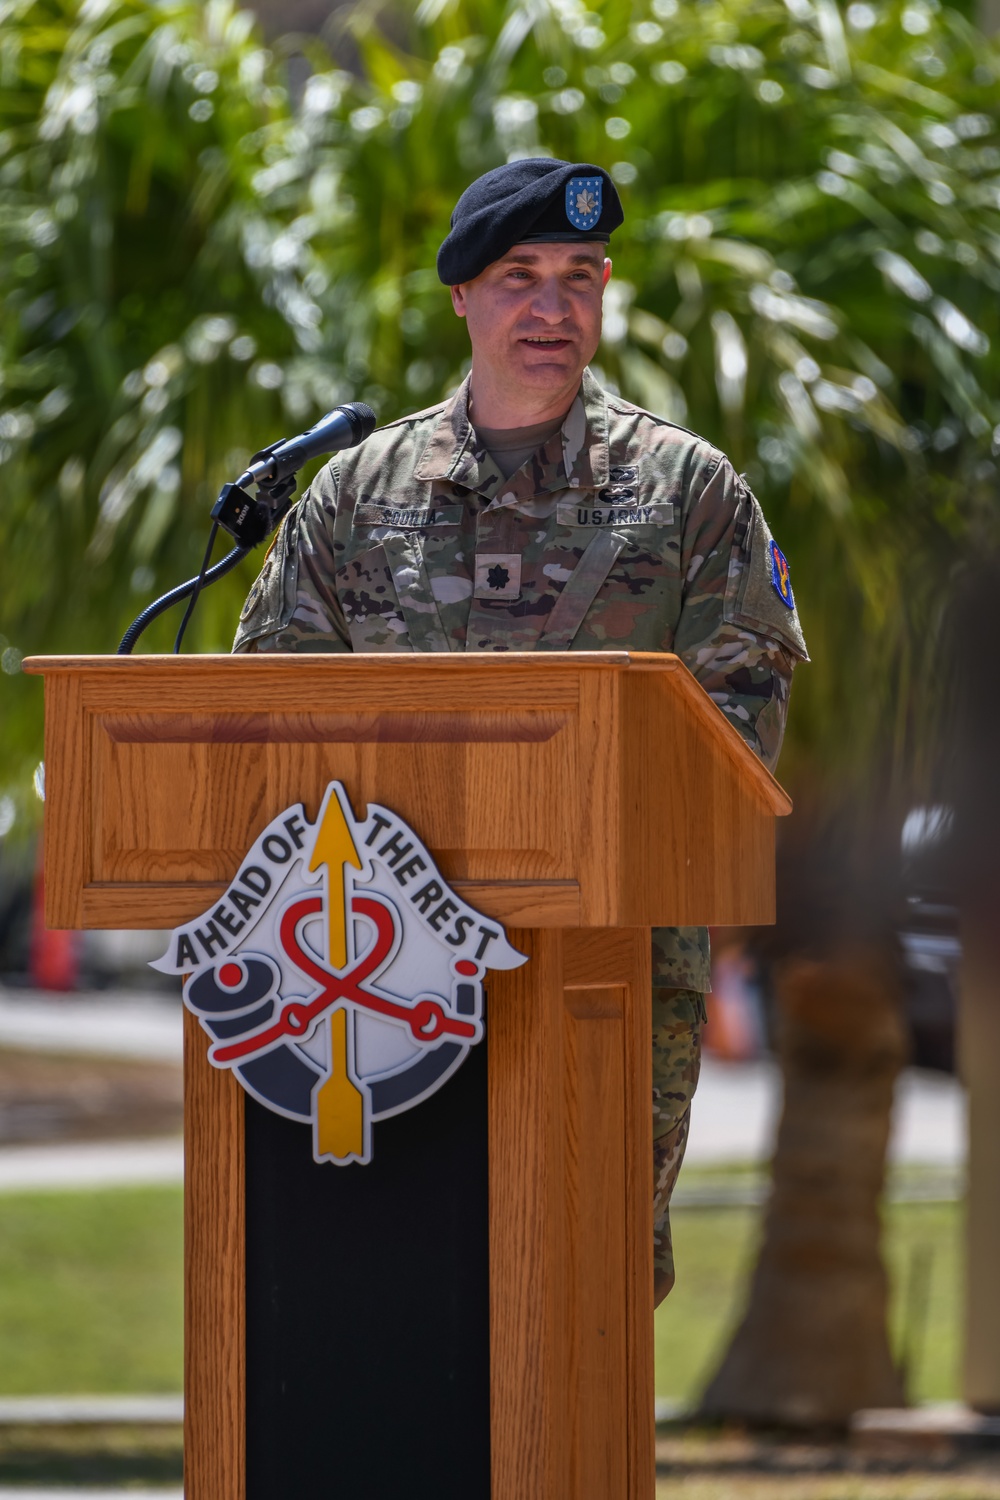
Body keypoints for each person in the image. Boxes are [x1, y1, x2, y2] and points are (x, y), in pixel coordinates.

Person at [234, 157, 808, 1306]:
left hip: (612, 966)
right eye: (520, 276)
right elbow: (266, 715)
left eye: (581, 276)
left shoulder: (687, 491)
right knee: (389, 1294)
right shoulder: (353, 493)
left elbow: (738, 727)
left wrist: (574, 817)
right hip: (383, 978)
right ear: (462, 295)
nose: (554, 306)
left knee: (587, 1287)